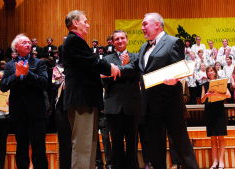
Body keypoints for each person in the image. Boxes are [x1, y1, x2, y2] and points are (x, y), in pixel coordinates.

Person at [119, 12, 198, 169]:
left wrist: (175, 79)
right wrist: (118, 70)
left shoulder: (173, 42)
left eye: (144, 24)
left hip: (171, 106)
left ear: (156, 24)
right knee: (155, 151)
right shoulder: (143, 47)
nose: (142, 28)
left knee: (182, 147)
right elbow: (137, 67)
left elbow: (179, 68)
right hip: (150, 107)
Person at [62, 10, 120, 169]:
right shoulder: (74, 40)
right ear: (75, 23)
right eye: (85, 21)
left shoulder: (75, 41)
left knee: (89, 144)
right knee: (83, 145)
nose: (88, 25)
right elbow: (90, 62)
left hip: (85, 99)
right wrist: (110, 67)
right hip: (82, 99)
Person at [0, 34, 49, 169]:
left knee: (39, 148)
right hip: (18, 112)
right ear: (16, 47)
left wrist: (28, 74)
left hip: (37, 112)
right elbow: (3, 86)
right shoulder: (10, 66)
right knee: (21, 148)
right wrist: (15, 75)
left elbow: (45, 83)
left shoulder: (39, 63)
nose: (28, 45)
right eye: (24, 43)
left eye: (29, 42)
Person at [102, 30, 141, 169]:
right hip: (113, 107)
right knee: (116, 145)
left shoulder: (136, 57)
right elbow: (104, 81)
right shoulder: (106, 60)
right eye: (116, 39)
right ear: (112, 42)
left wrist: (119, 71)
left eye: (122, 38)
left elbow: (139, 77)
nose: (120, 41)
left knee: (132, 143)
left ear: (127, 39)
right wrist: (125, 69)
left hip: (132, 105)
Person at [201, 65, 231, 169]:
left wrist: (218, 93)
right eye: (208, 71)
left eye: (211, 71)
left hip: (219, 111)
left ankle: (221, 162)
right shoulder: (204, 84)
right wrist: (206, 95)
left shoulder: (220, 82)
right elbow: (201, 100)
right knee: (213, 138)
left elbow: (229, 95)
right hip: (209, 111)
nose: (210, 73)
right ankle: (215, 162)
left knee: (221, 137)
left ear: (215, 72)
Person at [168, 79, 190, 169]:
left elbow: (187, 97)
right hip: (169, 114)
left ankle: (183, 162)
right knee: (171, 141)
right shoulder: (166, 82)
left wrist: (179, 98)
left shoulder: (183, 82)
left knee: (183, 140)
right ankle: (175, 163)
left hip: (182, 114)